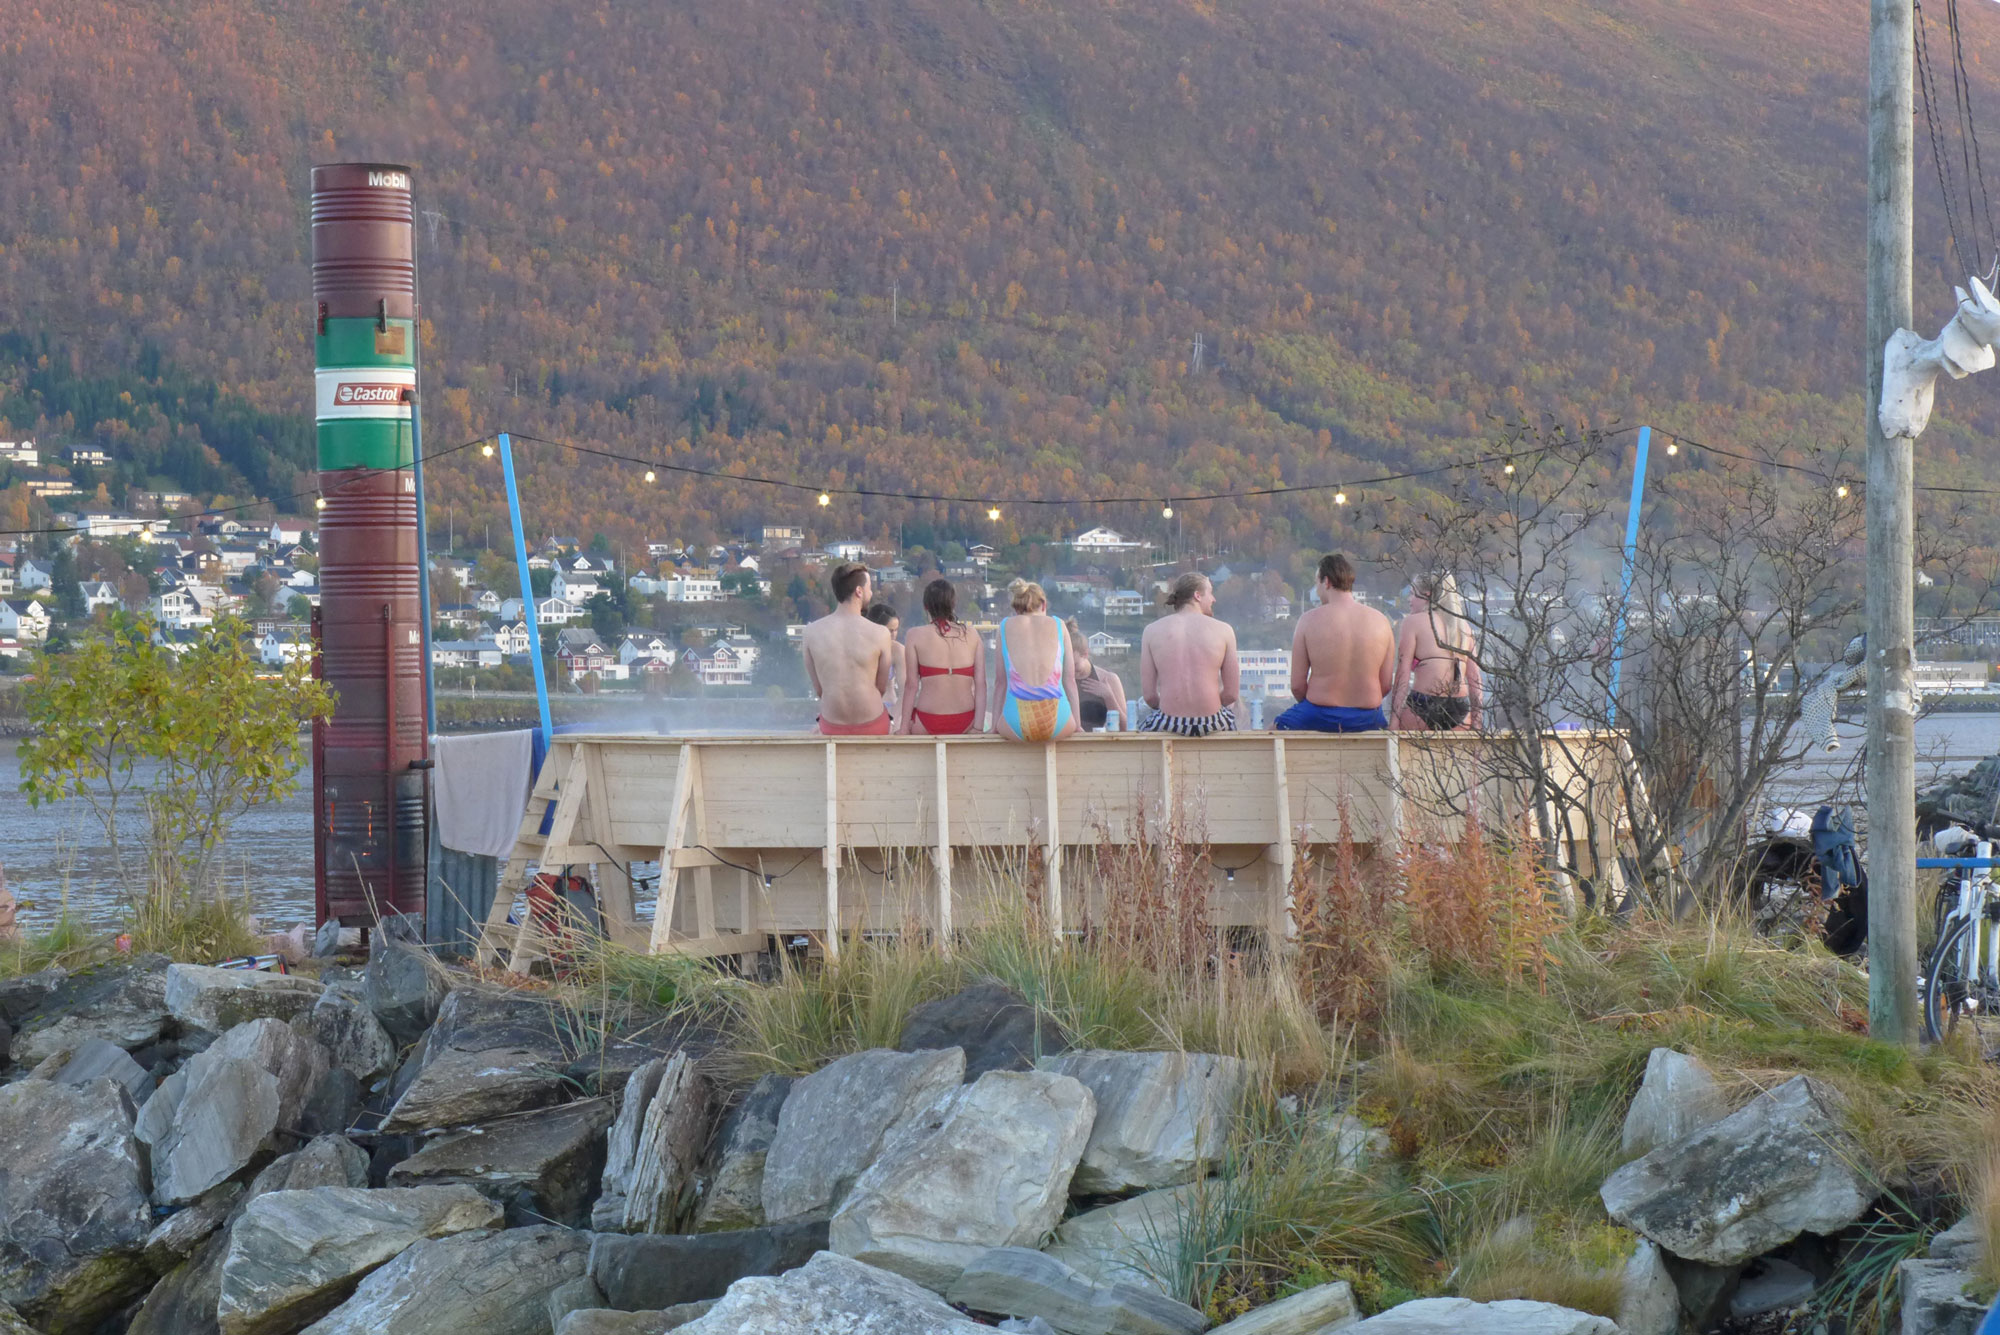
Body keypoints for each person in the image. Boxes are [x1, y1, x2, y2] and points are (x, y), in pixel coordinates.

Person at [1274, 553, 1395, 732]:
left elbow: (1297, 686)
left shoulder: (1308, 620)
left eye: (1316, 583)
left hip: (1318, 713)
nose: (1317, 590)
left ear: (1327, 582)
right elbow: (1385, 684)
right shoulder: (1382, 622)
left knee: (1272, 731)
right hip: (1368, 717)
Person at [1138, 573, 1241, 736]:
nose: (1213, 599)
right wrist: (1210, 705)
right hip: (1212, 723)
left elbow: (1150, 697)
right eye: (1210, 593)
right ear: (1197, 595)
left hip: (1169, 723)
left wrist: (1170, 708)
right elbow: (1231, 694)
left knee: (1144, 725)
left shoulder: (1151, 631)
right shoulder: (1224, 630)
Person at [800, 562, 896, 735]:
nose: (871, 593)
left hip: (831, 725)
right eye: (869, 588)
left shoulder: (810, 632)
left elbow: (820, 689)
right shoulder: (880, 633)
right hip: (872, 723)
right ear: (859, 591)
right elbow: (881, 687)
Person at [1391, 571, 1482, 731]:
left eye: (1412, 594)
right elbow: (1475, 678)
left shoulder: (1412, 622)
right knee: (1457, 749)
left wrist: (1394, 721)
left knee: (1411, 748)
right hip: (1459, 707)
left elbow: (1402, 675)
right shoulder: (1463, 626)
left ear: (1427, 595)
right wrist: (1477, 720)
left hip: (1422, 703)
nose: (1409, 599)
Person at [991, 580, 1079, 742]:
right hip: (1059, 724)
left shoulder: (1004, 626)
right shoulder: (1059, 625)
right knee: (1070, 722)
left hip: (1016, 725)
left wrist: (993, 726)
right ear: (1043, 604)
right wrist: (1078, 725)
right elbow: (1070, 680)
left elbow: (1000, 683)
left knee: (1002, 723)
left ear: (1017, 607)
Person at [901, 579, 986, 735]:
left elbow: (911, 685)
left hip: (927, 719)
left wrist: (903, 728)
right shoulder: (972, 634)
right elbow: (981, 684)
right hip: (966, 719)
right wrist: (978, 727)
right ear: (953, 603)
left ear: (926, 606)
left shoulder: (914, 635)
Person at [1067, 618, 1128, 731]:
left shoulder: (1108, 679)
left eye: (1075, 664)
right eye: (1066, 665)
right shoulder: (1062, 680)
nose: (1070, 670)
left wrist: (1108, 697)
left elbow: (1125, 726)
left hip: (1101, 739)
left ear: (1085, 654)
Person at [864, 601, 903, 717]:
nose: (894, 634)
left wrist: (895, 717)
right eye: (890, 630)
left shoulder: (897, 650)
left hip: (889, 706)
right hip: (864, 709)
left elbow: (905, 689)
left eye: (896, 630)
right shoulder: (862, 649)